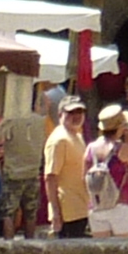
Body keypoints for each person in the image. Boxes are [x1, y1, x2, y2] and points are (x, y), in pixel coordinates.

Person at [43, 100, 93, 240]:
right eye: (71, 112)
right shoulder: (59, 140)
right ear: (60, 115)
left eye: (80, 112)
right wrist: (55, 212)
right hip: (67, 213)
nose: (76, 116)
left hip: (81, 208)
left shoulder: (76, 135)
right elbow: (50, 177)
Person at [88, 106, 128, 238]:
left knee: (102, 251)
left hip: (96, 205)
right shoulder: (123, 149)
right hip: (121, 203)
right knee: (124, 251)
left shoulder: (90, 148)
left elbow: (83, 176)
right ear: (121, 127)